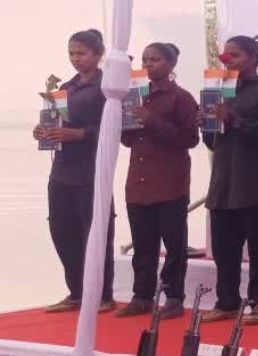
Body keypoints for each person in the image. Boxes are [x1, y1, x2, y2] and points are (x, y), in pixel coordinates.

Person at [199, 34, 258, 325]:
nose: (228, 60)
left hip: (253, 180)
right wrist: (206, 124)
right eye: (225, 55)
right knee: (224, 249)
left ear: (252, 58)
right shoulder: (220, 90)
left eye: (234, 55)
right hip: (223, 181)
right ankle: (227, 302)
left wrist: (235, 120)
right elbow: (213, 143)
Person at [33, 29, 115, 314]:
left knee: (94, 233)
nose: (75, 58)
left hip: (91, 171)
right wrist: (44, 131)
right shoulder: (66, 87)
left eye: (81, 53)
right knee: (61, 230)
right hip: (61, 170)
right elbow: (56, 122)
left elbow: (114, 127)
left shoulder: (108, 88)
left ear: (98, 54)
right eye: (71, 53)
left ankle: (103, 295)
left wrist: (79, 133)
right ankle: (77, 292)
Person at [117, 42, 198, 320]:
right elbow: (129, 140)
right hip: (138, 183)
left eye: (155, 60)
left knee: (174, 246)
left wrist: (151, 121)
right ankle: (142, 296)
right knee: (142, 244)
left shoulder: (181, 98)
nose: (148, 65)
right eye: (145, 60)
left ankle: (174, 297)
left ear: (171, 64)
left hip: (169, 183)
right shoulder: (135, 96)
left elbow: (190, 138)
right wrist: (123, 121)